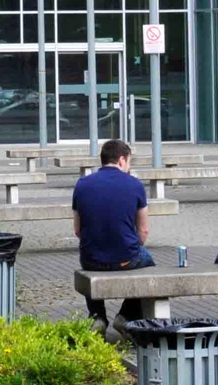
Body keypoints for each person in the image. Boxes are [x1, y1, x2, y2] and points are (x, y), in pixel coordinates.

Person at [73, 138, 153, 339]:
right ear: (121, 160)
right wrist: (132, 246)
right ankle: (126, 315)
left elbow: (77, 231)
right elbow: (143, 231)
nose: (128, 167)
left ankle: (97, 316)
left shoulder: (82, 185)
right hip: (126, 257)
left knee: (87, 255)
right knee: (150, 264)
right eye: (129, 162)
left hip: (91, 259)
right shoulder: (135, 185)